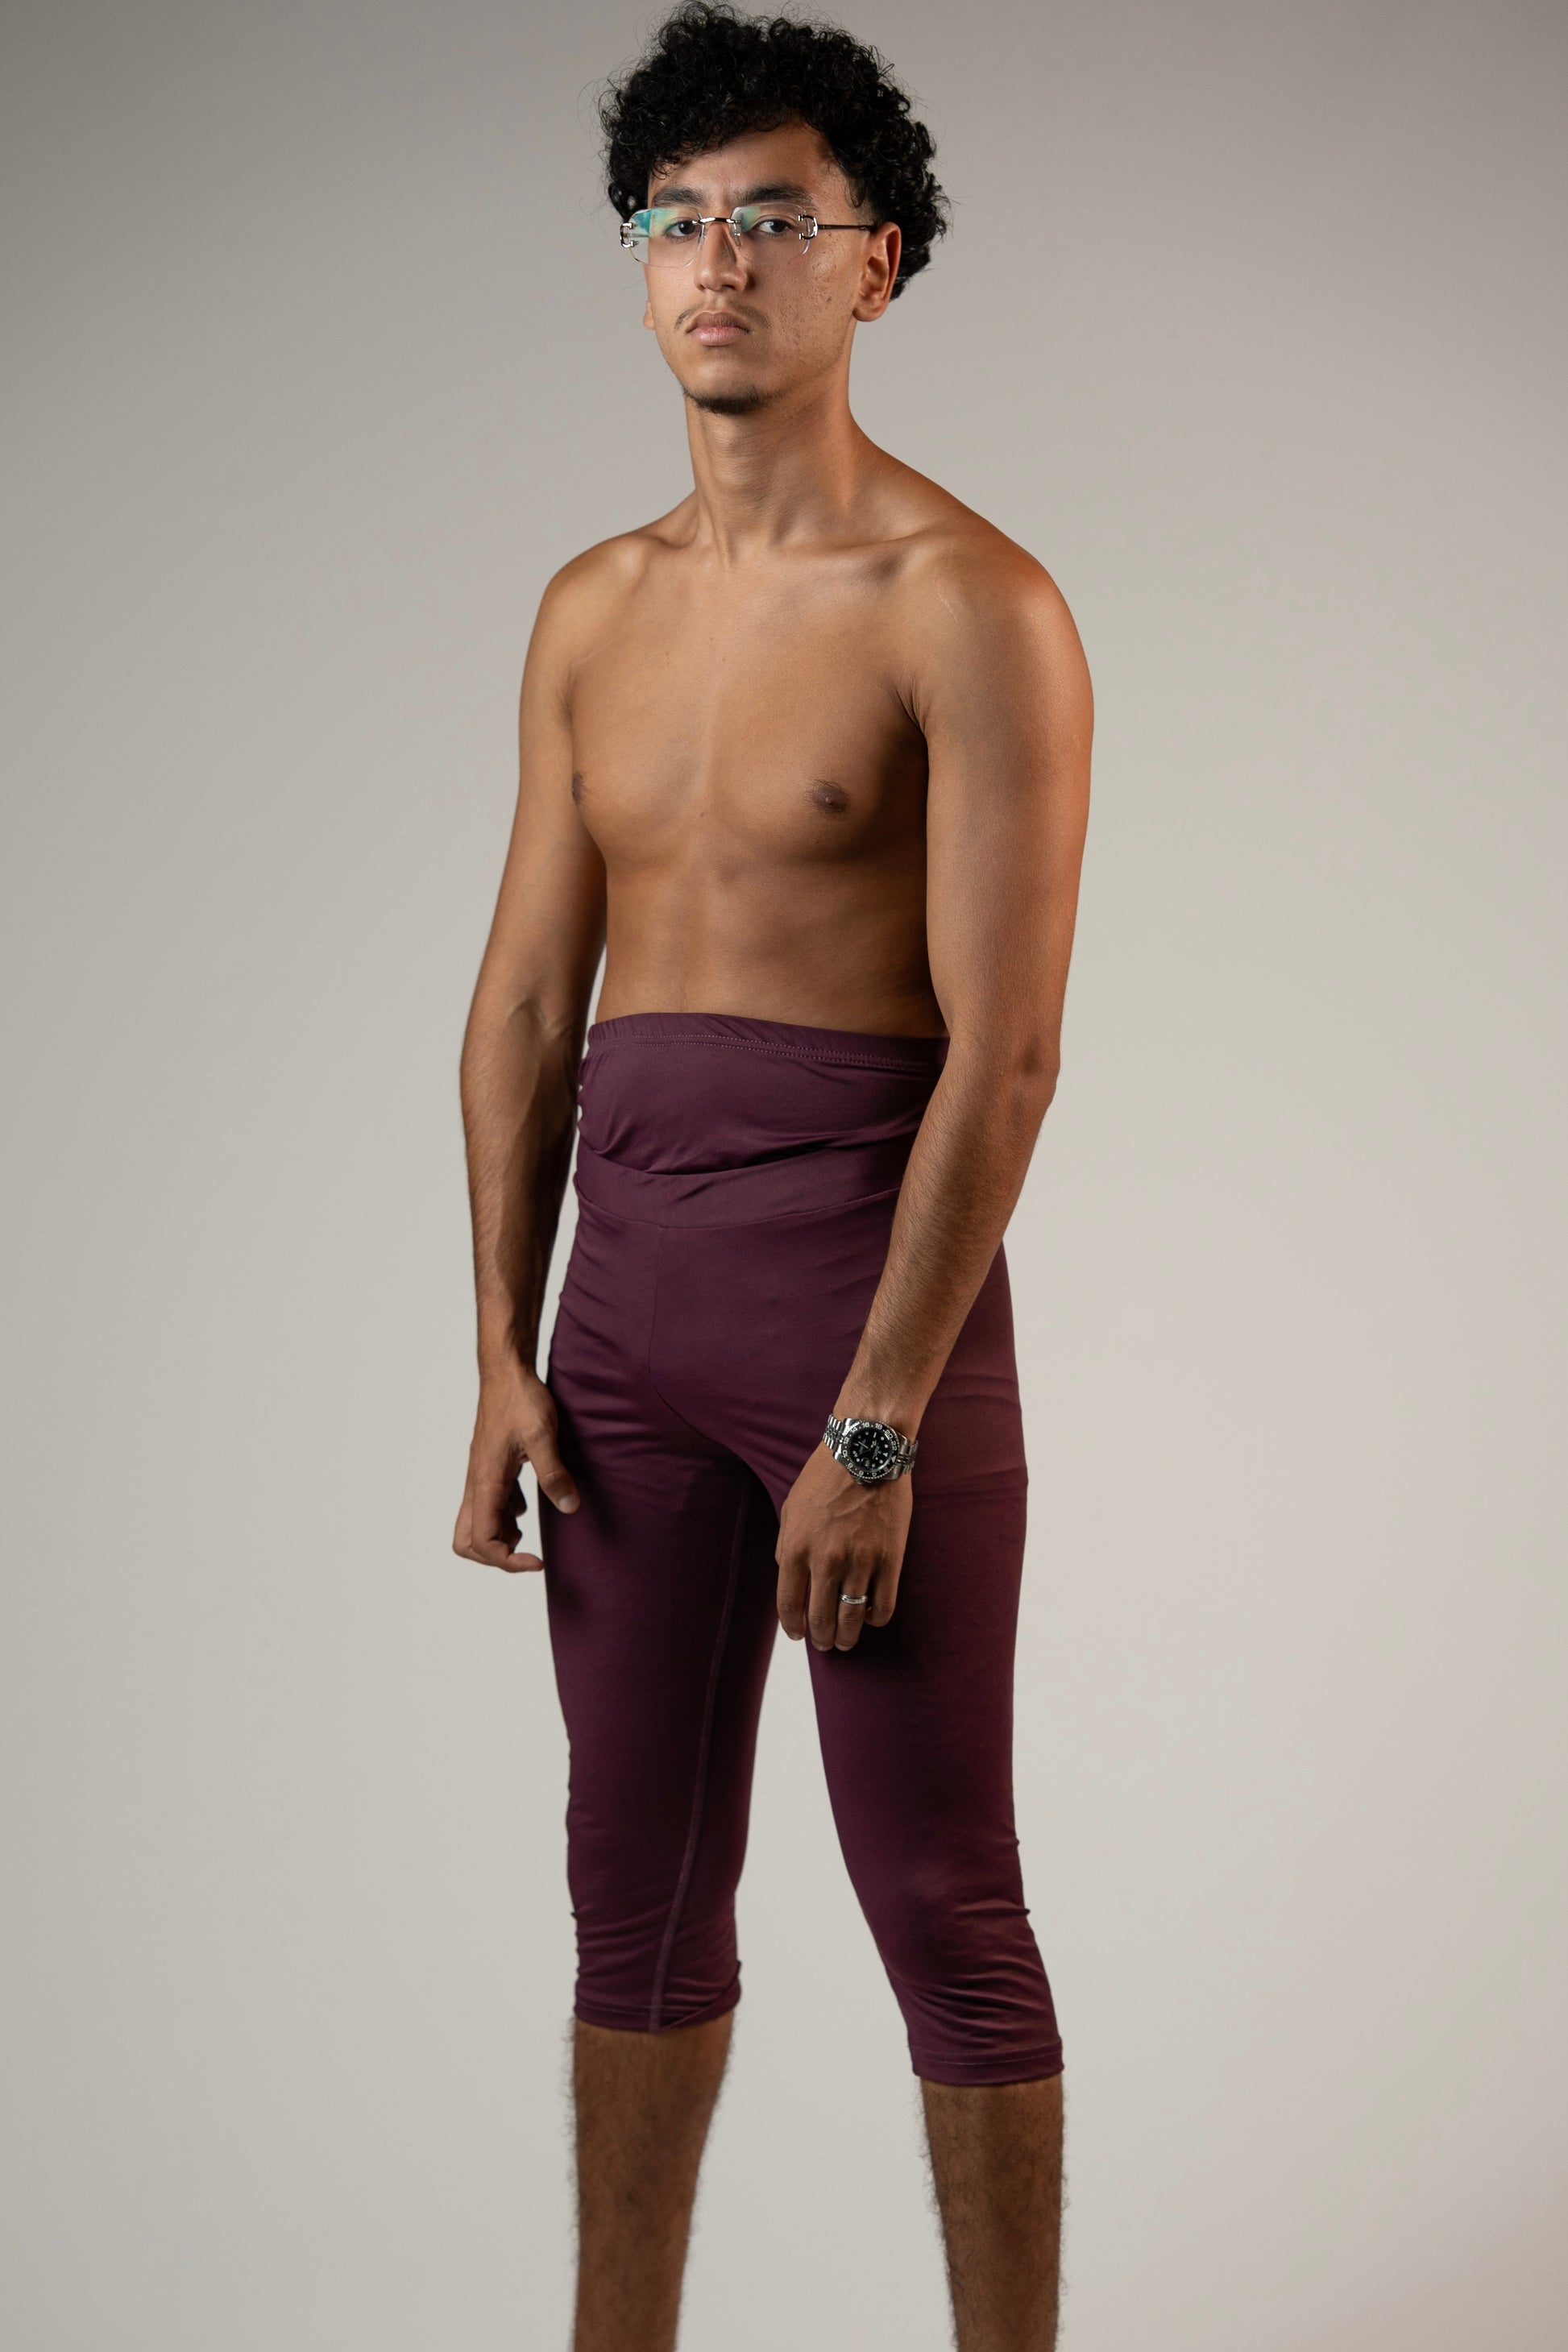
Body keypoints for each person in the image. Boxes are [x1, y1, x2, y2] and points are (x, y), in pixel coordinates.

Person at [453, 6, 1092, 2345]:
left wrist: (877, 1422)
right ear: (639, 262)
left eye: (773, 222)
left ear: (873, 265)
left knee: (939, 1896)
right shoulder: (591, 608)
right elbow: (529, 1002)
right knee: (625, 1897)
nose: (718, 262)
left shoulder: (967, 603)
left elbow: (1008, 1055)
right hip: (617, 1329)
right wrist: (499, 1354)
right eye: (676, 221)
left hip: (858, 1312)